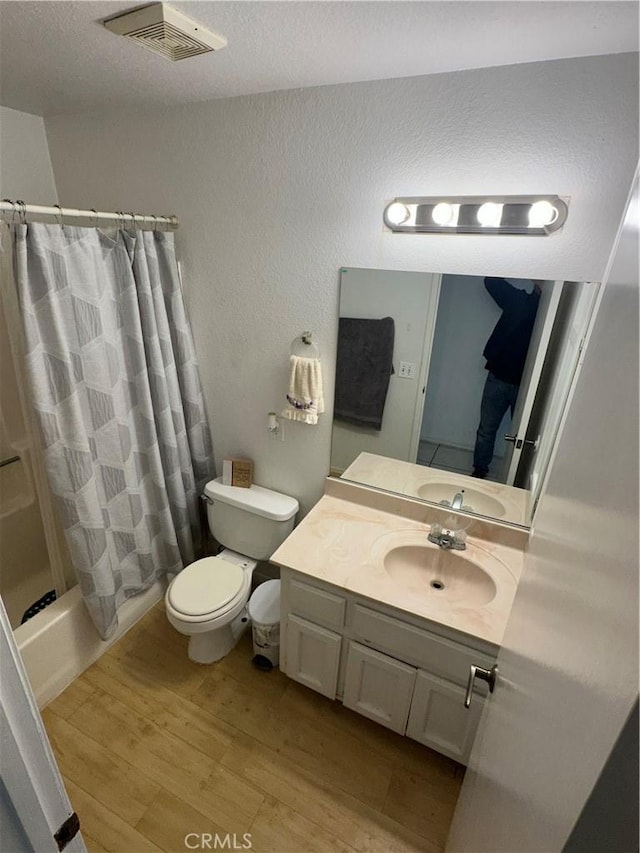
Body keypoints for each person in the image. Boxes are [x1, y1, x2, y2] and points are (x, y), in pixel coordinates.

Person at [472, 277, 541, 479]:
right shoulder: (517, 299)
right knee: (486, 429)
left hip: (528, 385)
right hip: (499, 377)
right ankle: (479, 470)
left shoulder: (555, 314)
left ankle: (518, 477)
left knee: (524, 437)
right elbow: (490, 280)